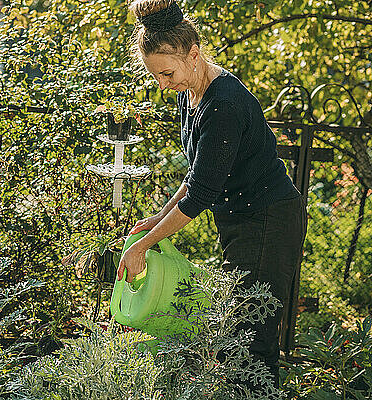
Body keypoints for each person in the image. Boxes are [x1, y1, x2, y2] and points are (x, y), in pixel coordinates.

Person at [116, 0, 308, 390]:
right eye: (156, 76)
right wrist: (156, 220)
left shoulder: (223, 105)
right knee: (234, 334)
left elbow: (202, 194)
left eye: (168, 73)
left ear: (193, 53)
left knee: (252, 342)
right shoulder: (192, 93)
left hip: (268, 221)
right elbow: (198, 175)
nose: (163, 85)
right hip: (241, 221)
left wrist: (144, 246)